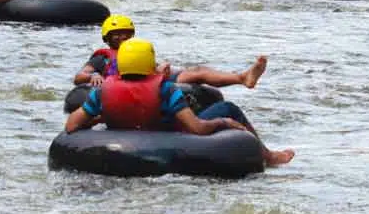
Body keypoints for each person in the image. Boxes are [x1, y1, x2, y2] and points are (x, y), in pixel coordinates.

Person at [65, 38, 294, 168]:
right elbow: (197, 128)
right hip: (167, 136)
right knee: (229, 108)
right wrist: (223, 122)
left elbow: (72, 126)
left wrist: (104, 116)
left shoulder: (101, 92)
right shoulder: (165, 89)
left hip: (124, 136)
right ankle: (269, 157)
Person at [76, 14, 266, 92]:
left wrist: (162, 70)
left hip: (151, 80)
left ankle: (242, 78)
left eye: (126, 33)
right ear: (107, 38)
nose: (122, 37)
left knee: (198, 71)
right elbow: (79, 76)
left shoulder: (138, 50)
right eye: (117, 34)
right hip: (129, 87)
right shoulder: (102, 57)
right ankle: (241, 78)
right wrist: (91, 75)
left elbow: (149, 69)